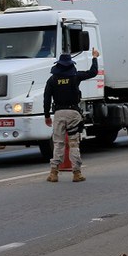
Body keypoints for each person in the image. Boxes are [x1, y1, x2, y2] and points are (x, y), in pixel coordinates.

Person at [44, 48, 100, 182]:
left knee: (58, 143)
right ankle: (76, 173)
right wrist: (94, 58)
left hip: (58, 114)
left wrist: (47, 116)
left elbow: (46, 99)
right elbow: (93, 73)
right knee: (74, 143)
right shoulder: (75, 76)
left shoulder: (52, 80)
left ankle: (53, 173)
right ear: (70, 64)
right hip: (73, 113)